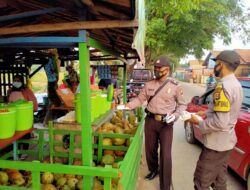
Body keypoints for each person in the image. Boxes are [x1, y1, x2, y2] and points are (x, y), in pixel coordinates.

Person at [126, 56, 186, 190]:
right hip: (151, 121)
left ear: (167, 70)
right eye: (155, 68)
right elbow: (140, 99)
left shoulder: (175, 86)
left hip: (166, 124)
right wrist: (129, 105)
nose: (156, 70)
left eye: (159, 68)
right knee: (150, 150)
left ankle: (165, 185)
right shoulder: (149, 84)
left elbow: (182, 105)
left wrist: (175, 116)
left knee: (165, 154)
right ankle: (154, 170)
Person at [189, 50, 243, 190]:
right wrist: (206, 113)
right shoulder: (236, 84)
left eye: (216, 64)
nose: (214, 67)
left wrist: (198, 122)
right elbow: (226, 111)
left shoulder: (223, 87)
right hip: (227, 142)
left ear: (221, 65)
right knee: (219, 182)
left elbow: (220, 122)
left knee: (201, 182)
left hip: (215, 146)